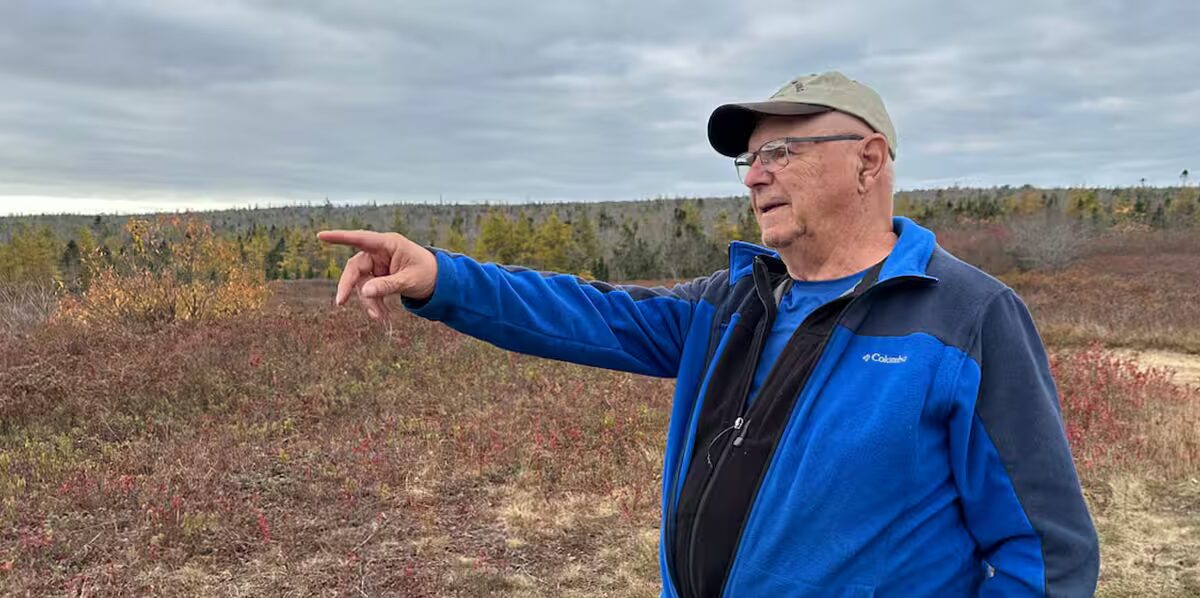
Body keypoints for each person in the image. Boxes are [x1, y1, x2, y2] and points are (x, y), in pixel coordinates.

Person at [318, 71, 1099, 597]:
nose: (756, 174)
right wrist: (440, 278)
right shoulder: (734, 303)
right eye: (750, 159)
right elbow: (589, 312)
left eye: (781, 151)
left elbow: (1050, 552)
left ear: (868, 162)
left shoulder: (965, 318)